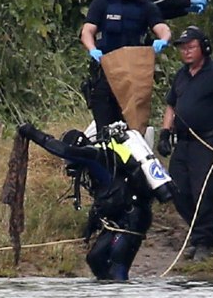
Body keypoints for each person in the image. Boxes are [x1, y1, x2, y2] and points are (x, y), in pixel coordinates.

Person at [17, 120, 173, 281]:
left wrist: (33, 133)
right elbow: (107, 195)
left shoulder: (94, 156)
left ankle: (122, 296)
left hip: (134, 217)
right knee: (95, 259)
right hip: (119, 218)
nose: (68, 165)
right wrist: (92, 224)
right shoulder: (99, 164)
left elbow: (64, 150)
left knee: (117, 261)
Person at [157, 25, 213, 261]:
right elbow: (171, 105)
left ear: (203, 48)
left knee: (205, 191)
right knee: (178, 189)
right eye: (183, 48)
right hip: (183, 142)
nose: (186, 52)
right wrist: (165, 133)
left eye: (191, 47)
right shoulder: (181, 75)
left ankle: (204, 240)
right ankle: (200, 235)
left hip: (208, 140)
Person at [81, 0, 172, 131]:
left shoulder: (146, 7)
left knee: (131, 128)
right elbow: (87, 31)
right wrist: (92, 49)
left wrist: (163, 39)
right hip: (106, 71)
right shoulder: (104, 2)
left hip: (132, 75)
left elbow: (162, 28)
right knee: (105, 128)